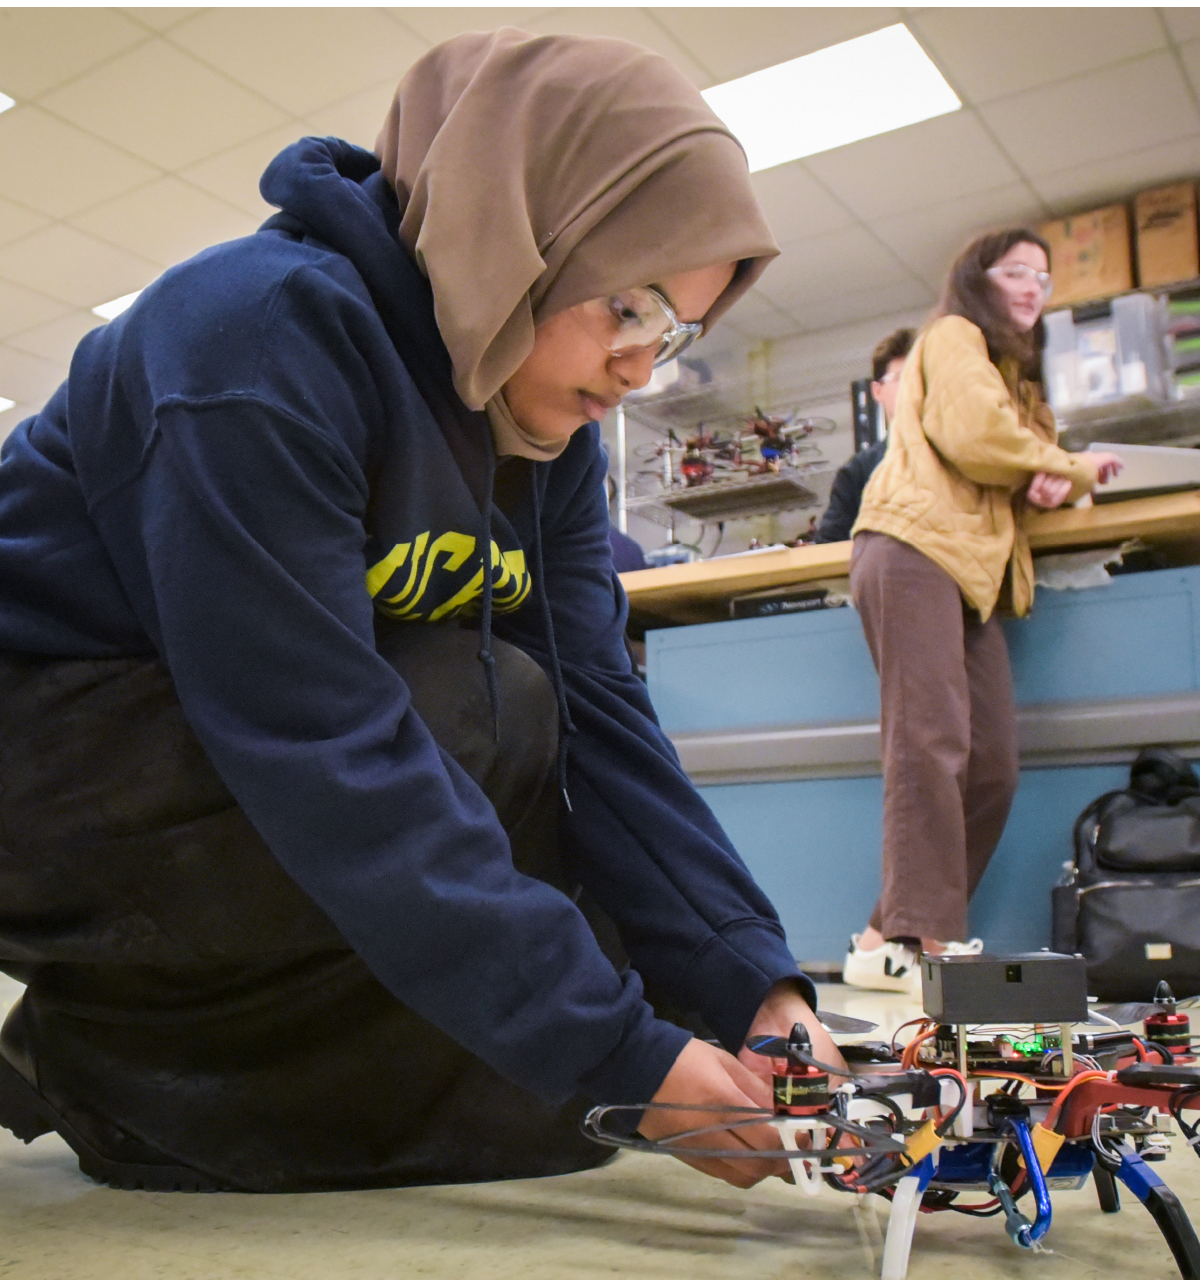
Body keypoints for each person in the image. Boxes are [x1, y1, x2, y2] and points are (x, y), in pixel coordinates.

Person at [0, 30, 845, 1195]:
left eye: (677, 329)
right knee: (464, 716)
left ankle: (169, 1049)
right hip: (40, 749)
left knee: (537, 765)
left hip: (195, 757)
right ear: (520, 233)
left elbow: (604, 717)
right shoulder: (253, 341)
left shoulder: (541, 437)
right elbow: (320, 741)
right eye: (631, 304)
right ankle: (126, 1065)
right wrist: (617, 1055)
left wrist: (752, 980)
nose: (643, 364)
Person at [842, 229, 1122, 993]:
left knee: (992, 764)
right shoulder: (953, 335)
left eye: (1043, 276)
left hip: (968, 569)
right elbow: (971, 435)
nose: (1033, 287)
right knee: (928, 743)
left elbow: (1004, 454)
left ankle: (877, 941)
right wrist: (1064, 466)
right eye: (1015, 272)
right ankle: (927, 945)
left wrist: (1043, 479)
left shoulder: (1015, 376)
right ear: (977, 279)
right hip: (910, 547)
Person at [815, 327, 914, 543]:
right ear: (877, 391)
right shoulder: (858, 473)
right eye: (901, 377)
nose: (914, 386)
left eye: (920, 376)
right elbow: (828, 546)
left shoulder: (954, 453)